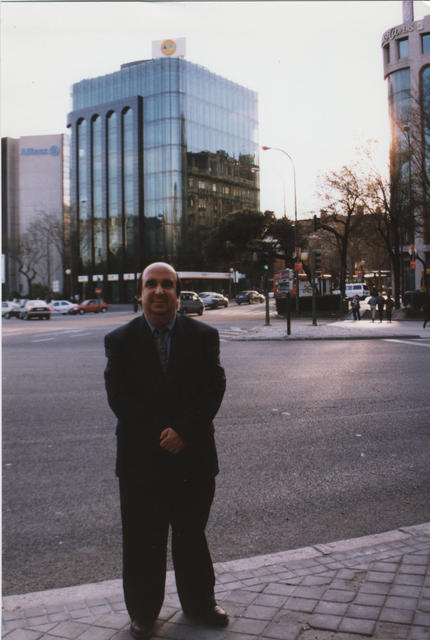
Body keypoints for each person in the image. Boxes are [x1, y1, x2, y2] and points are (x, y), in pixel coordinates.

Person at [104, 262, 228, 640]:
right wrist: (164, 435)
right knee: (143, 541)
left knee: (192, 536)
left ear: (178, 293)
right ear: (139, 294)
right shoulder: (119, 341)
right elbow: (121, 399)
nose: (159, 291)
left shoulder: (204, 336)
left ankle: (200, 604)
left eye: (167, 285)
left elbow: (213, 388)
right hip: (142, 461)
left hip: (193, 458)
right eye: (151, 285)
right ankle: (143, 613)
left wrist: (183, 433)